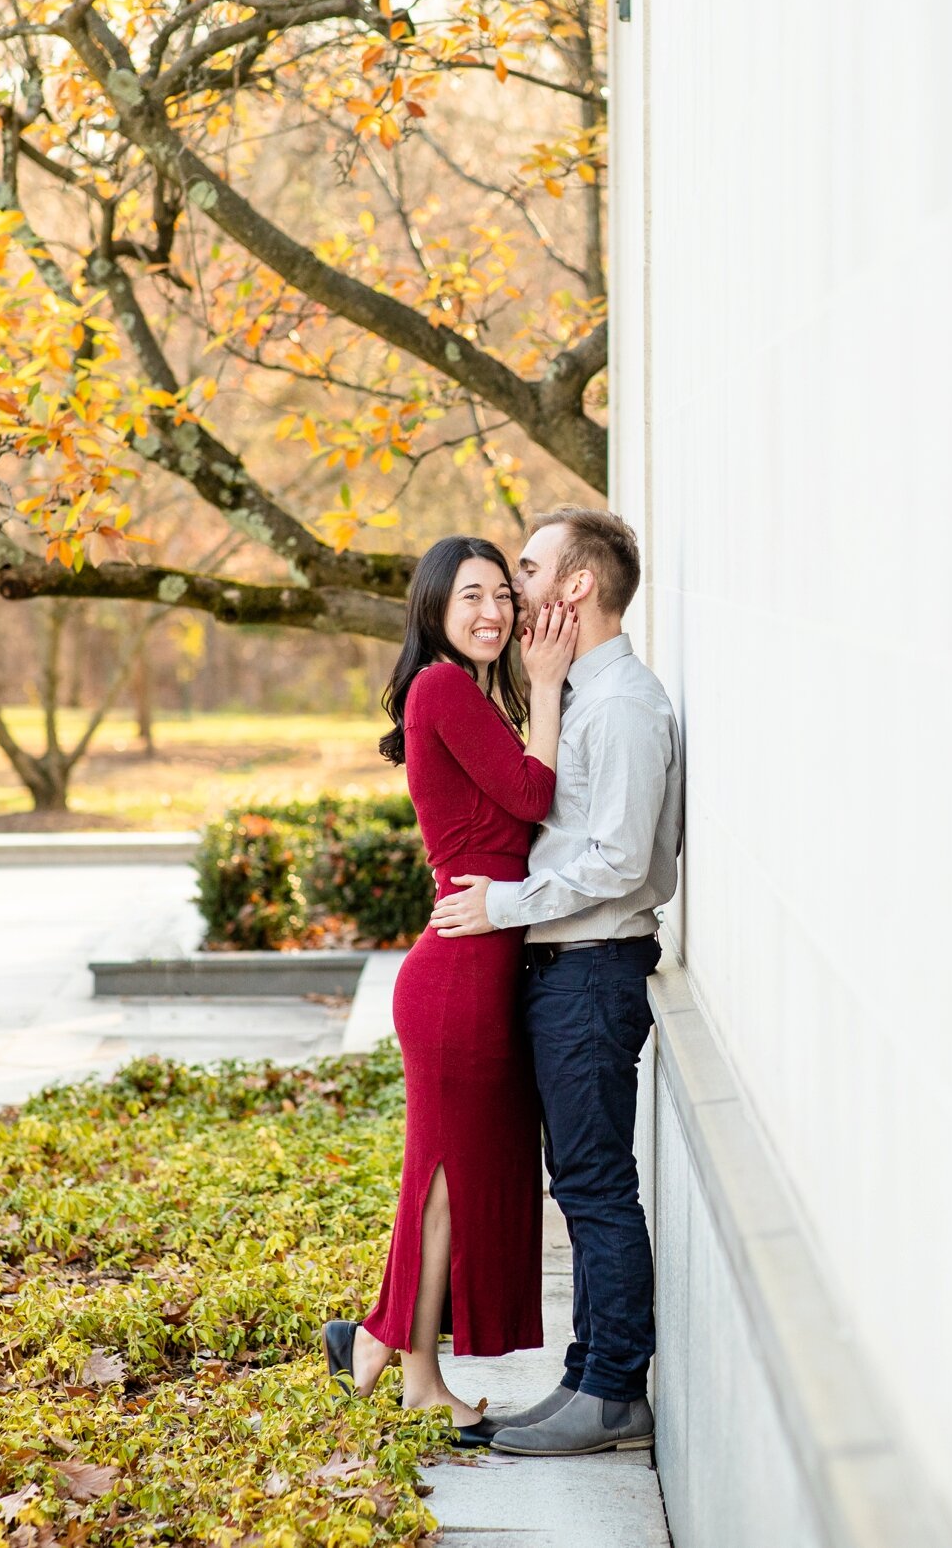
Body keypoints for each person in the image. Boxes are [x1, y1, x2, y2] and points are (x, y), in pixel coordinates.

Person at [428, 507, 682, 1458]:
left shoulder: (620, 706)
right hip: (562, 969)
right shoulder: (576, 695)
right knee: (578, 1180)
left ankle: (615, 1393)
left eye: (527, 569)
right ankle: (585, 1376)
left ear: (576, 587)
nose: (512, 586)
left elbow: (617, 862)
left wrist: (503, 905)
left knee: (596, 1183)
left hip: (593, 969)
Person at [320, 535, 579, 1448]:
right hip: (457, 981)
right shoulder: (440, 687)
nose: (494, 613)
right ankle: (408, 1364)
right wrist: (546, 686)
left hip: (477, 970)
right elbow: (533, 794)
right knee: (444, 1185)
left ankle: (384, 1350)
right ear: (434, 606)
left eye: (504, 596)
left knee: (446, 1181)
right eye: (472, 595)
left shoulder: (467, 695)